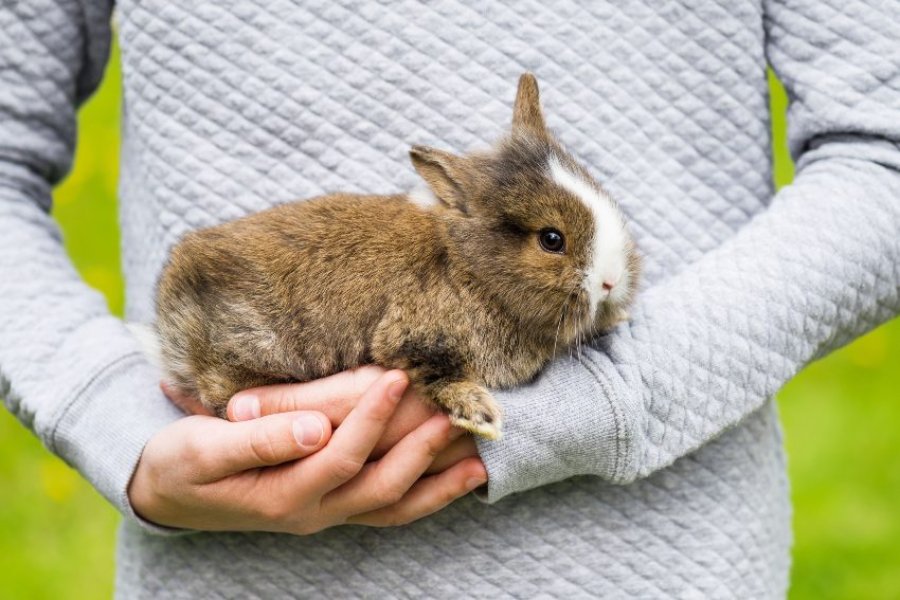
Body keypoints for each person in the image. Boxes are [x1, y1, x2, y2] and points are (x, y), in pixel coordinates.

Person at [1, 0, 898, 597]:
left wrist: (611, 397)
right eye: (552, 242)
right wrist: (119, 422)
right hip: (233, 570)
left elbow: (883, 157)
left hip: (659, 565)